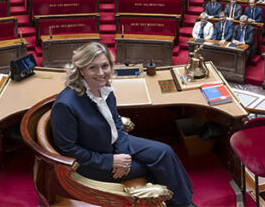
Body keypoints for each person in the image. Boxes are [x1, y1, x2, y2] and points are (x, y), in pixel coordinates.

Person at [50, 43, 194, 207]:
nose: (101, 73)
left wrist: (123, 154)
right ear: (81, 70)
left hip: (112, 141)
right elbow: (67, 149)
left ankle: (184, 203)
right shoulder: (65, 105)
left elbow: (116, 121)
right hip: (92, 161)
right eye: (93, 68)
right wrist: (110, 161)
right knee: (150, 166)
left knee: (164, 152)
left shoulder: (104, 87)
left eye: (105, 66)